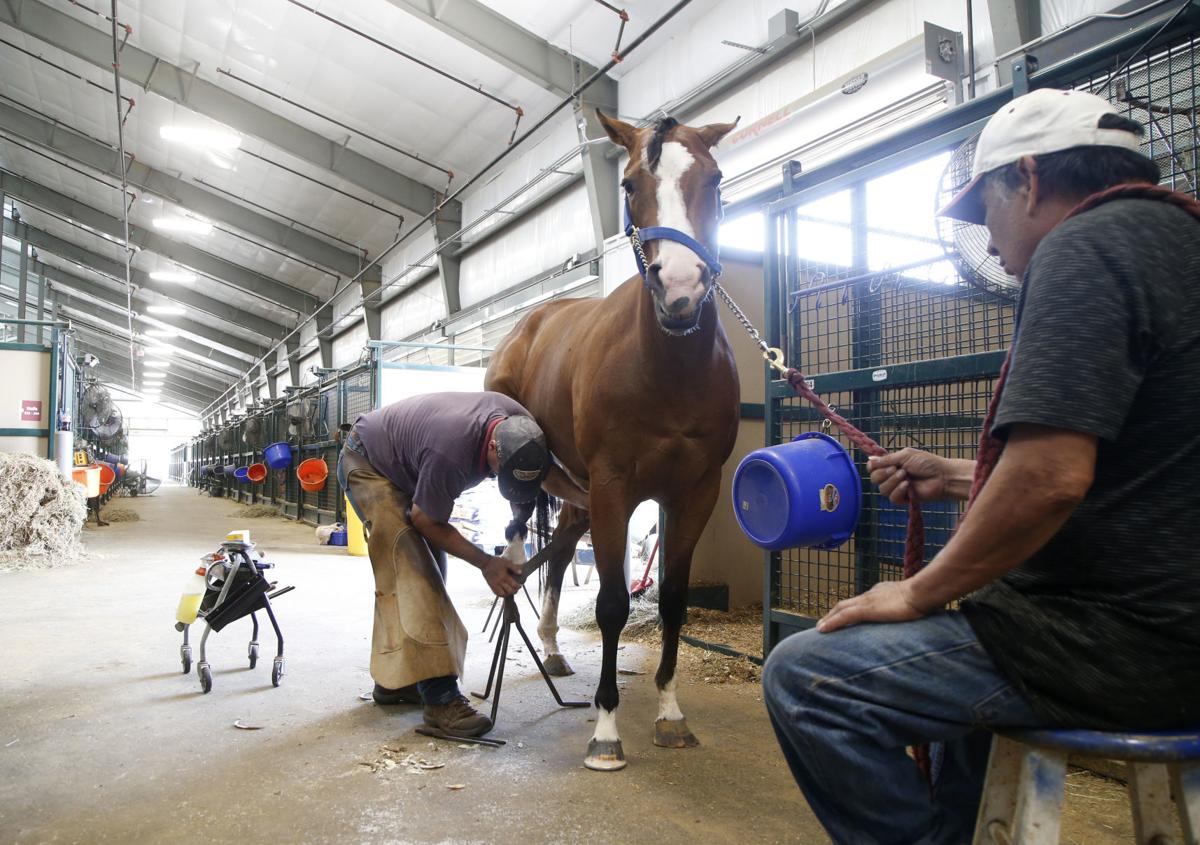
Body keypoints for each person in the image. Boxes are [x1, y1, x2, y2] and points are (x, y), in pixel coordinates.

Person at [762, 88, 1200, 844]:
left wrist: (920, 589)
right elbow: (1127, 467)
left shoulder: (1084, 247)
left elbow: (1054, 477)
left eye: (986, 213)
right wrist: (958, 474)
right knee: (973, 672)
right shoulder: (1177, 242)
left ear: (1028, 178)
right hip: (1175, 629)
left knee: (806, 678)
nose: (991, 247)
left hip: (1123, 646)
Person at [338, 390, 583, 738]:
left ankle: (395, 684)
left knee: (430, 574)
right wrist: (487, 564)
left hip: (409, 464)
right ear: (493, 450)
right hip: (370, 463)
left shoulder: (521, 427)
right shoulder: (451, 452)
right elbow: (425, 519)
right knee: (415, 574)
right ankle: (440, 700)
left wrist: (587, 500)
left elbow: (547, 475)